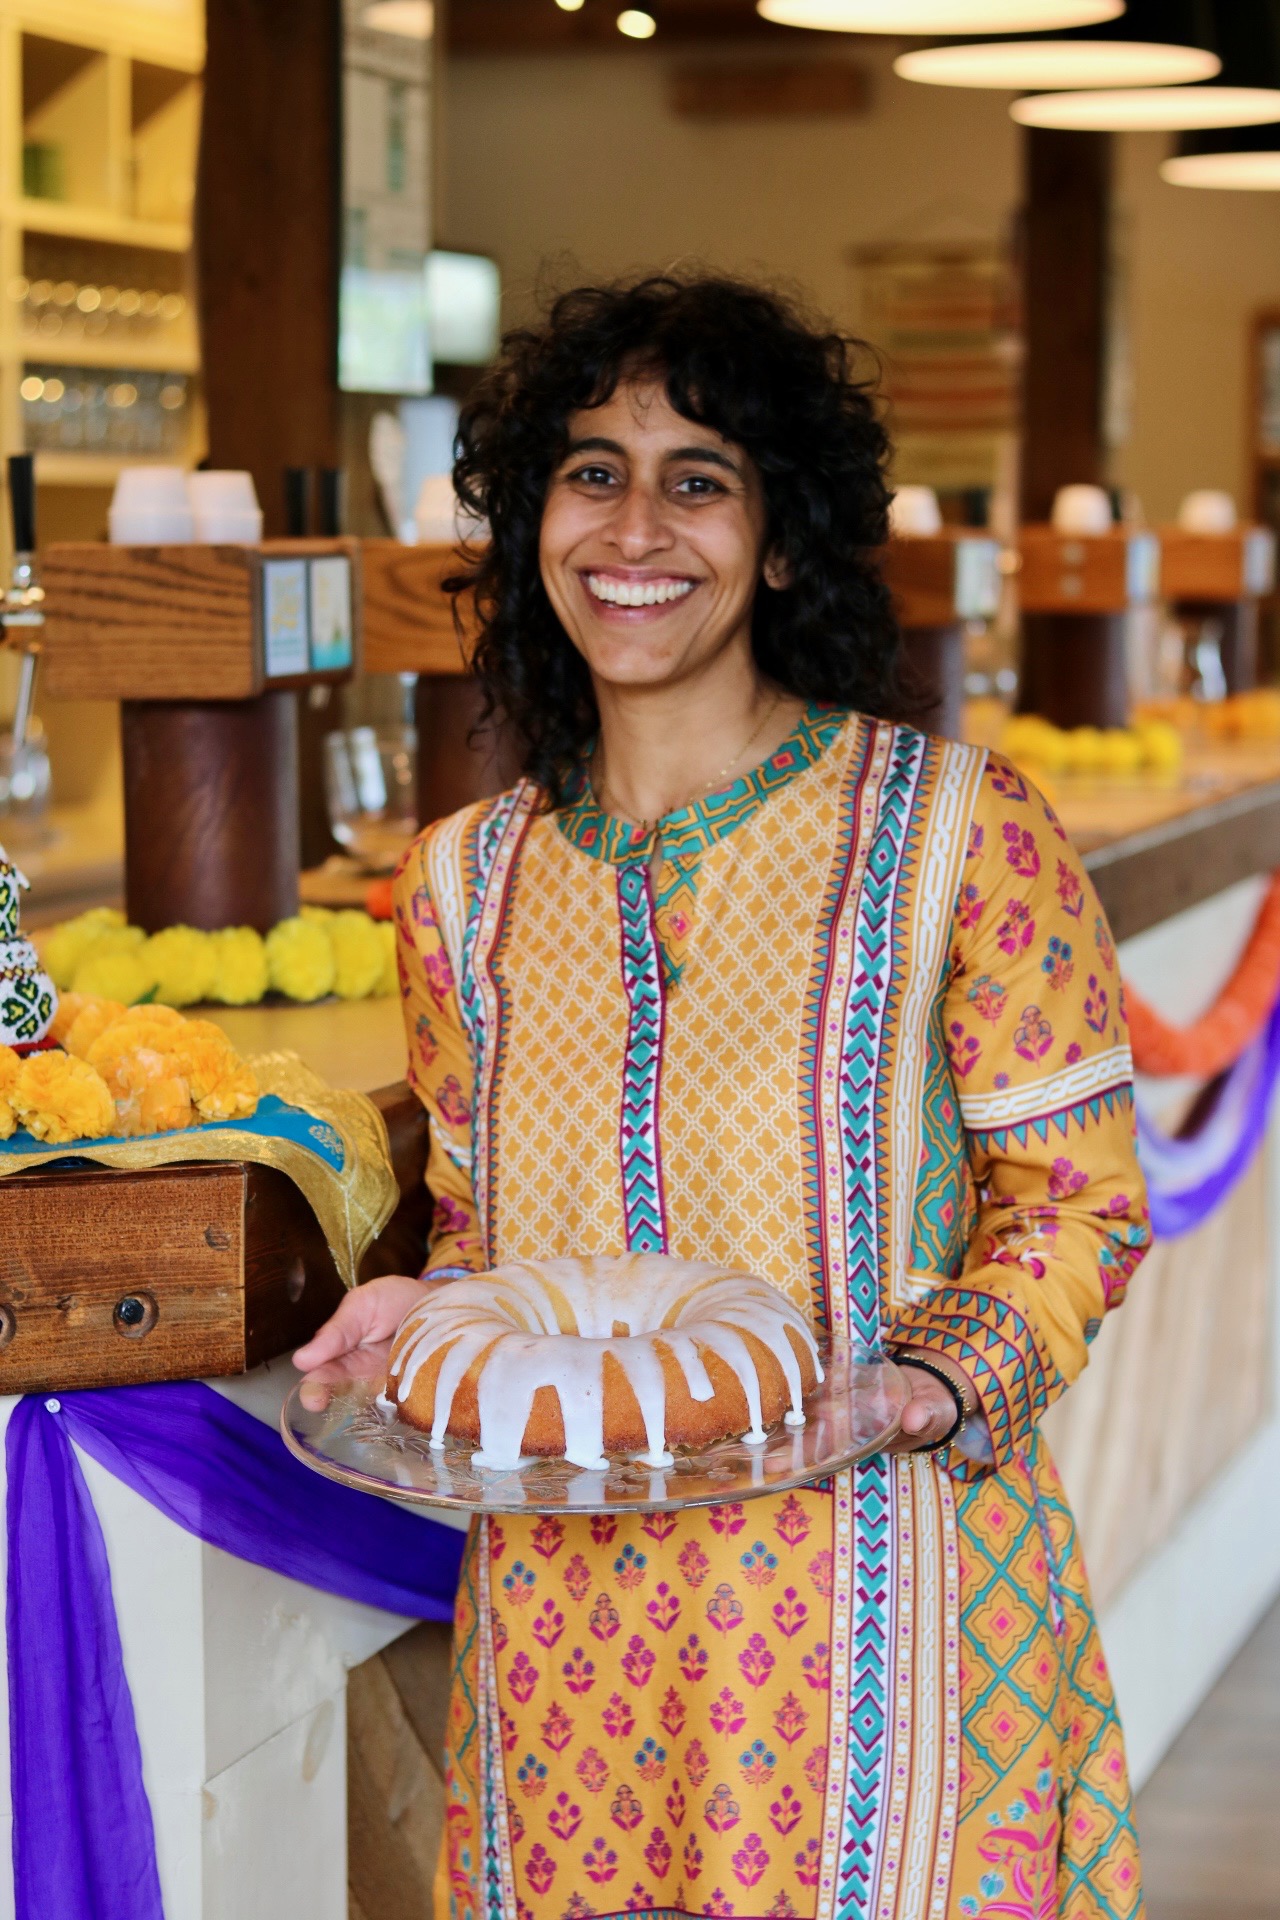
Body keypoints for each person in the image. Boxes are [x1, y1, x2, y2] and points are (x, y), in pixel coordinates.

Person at [296, 272, 1150, 1920]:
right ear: (533, 521)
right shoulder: (465, 887)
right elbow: (496, 1238)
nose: (637, 526)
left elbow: (1085, 1209)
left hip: (884, 1629)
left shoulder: (960, 835)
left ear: (777, 539)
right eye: (591, 471)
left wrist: (919, 1384)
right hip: (572, 1652)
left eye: (700, 478)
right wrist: (422, 1310)